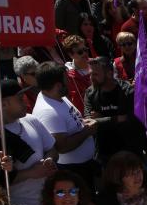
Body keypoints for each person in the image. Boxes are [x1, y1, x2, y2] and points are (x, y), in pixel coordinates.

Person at [0, 79, 58, 205]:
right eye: (20, 99)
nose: (26, 102)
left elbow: (52, 149)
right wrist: (32, 173)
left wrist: (50, 160)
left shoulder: (31, 120)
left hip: (51, 199)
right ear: (3, 104)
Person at [32, 62, 98, 190]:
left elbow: (71, 123)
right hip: (74, 171)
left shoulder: (56, 96)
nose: (69, 81)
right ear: (58, 85)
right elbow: (61, 146)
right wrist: (87, 131)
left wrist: (84, 123)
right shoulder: (48, 112)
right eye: (66, 78)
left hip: (85, 166)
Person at [83, 56, 147, 165]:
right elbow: (89, 121)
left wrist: (100, 119)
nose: (91, 78)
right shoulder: (90, 93)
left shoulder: (127, 90)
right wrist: (117, 118)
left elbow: (130, 118)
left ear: (109, 73)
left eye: (95, 74)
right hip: (106, 152)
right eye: (90, 74)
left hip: (130, 149)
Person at [62, 35, 92, 114]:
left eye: (85, 49)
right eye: (80, 52)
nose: (85, 53)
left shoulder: (96, 64)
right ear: (71, 55)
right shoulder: (68, 75)